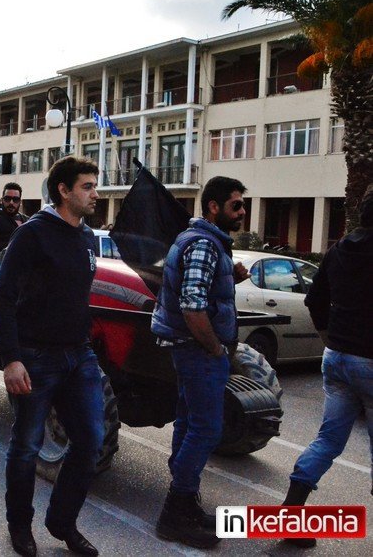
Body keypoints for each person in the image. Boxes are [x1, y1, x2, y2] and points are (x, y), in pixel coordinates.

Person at [0, 156, 104, 557]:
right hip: (35, 358)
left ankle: (62, 523)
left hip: (80, 355)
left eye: (95, 185)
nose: (96, 193)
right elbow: (3, 299)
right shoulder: (33, 235)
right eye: (88, 186)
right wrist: (11, 359)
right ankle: (20, 526)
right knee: (26, 446)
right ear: (63, 190)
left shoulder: (87, 237)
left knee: (91, 441)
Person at [150, 176, 250, 549]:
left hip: (190, 347)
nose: (242, 212)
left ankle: (185, 503)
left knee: (190, 421)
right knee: (206, 429)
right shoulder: (205, 245)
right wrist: (214, 348)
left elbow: (202, 295)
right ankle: (175, 512)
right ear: (213, 207)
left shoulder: (207, 244)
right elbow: (192, 305)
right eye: (236, 205)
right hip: (197, 349)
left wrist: (232, 280)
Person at [279, 184, 373, 548]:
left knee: (328, 440)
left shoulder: (338, 251)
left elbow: (314, 299)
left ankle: (290, 517)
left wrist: (329, 338)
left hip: (336, 357)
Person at [0, 182, 29, 253]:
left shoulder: (27, 220)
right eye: (7, 199)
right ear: (1, 200)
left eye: (15, 199)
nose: (11, 202)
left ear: (20, 202)